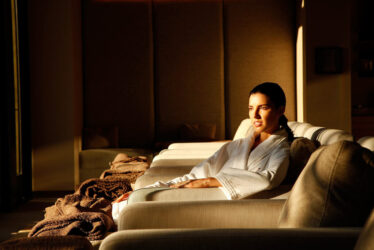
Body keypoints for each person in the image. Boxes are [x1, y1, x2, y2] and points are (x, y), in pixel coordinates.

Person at [115, 82, 293, 201]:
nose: (255, 115)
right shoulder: (239, 145)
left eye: (263, 108)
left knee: (143, 201)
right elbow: (195, 176)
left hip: (227, 202)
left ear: (280, 110)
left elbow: (268, 179)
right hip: (206, 194)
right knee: (134, 199)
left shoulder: (282, 149)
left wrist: (211, 181)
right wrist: (143, 190)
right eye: (251, 108)